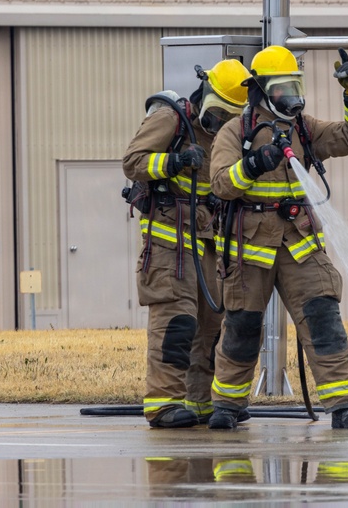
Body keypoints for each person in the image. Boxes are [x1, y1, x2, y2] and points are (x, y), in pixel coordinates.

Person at [207, 45, 348, 430]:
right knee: (242, 327)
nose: (291, 98)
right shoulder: (237, 132)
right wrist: (251, 164)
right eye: (283, 89)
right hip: (249, 248)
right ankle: (227, 407)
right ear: (262, 89)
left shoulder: (303, 128)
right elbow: (220, 183)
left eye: (295, 88)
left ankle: (344, 404)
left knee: (323, 319)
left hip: (299, 243)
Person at [123, 59, 251, 428]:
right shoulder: (172, 120)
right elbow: (133, 162)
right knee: (176, 323)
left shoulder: (229, 137)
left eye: (230, 115)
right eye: (219, 111)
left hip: (209, 241)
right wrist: (174, 161)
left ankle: (200, 403)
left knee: (211, 324)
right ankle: (162, 405)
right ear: (205, 93)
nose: (221, 121)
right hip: (169, 244)